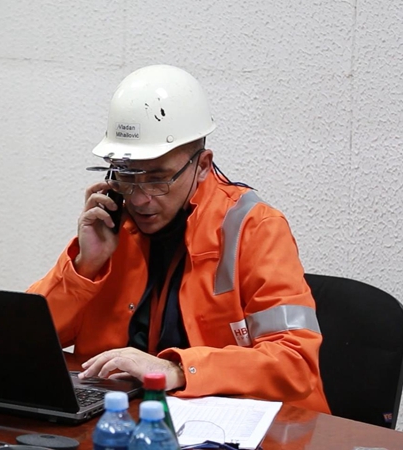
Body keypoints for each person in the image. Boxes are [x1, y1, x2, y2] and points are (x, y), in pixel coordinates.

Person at [28, 65, 330, 413]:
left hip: (255, 428)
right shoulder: (110, 225)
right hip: (129, 419)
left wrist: (178, 370)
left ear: (202, 165)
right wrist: (85, 266)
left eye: (158, 178)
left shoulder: (254, 228)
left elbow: (295, 363)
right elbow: (26, 340)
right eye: (127, 174)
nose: (140, 198)